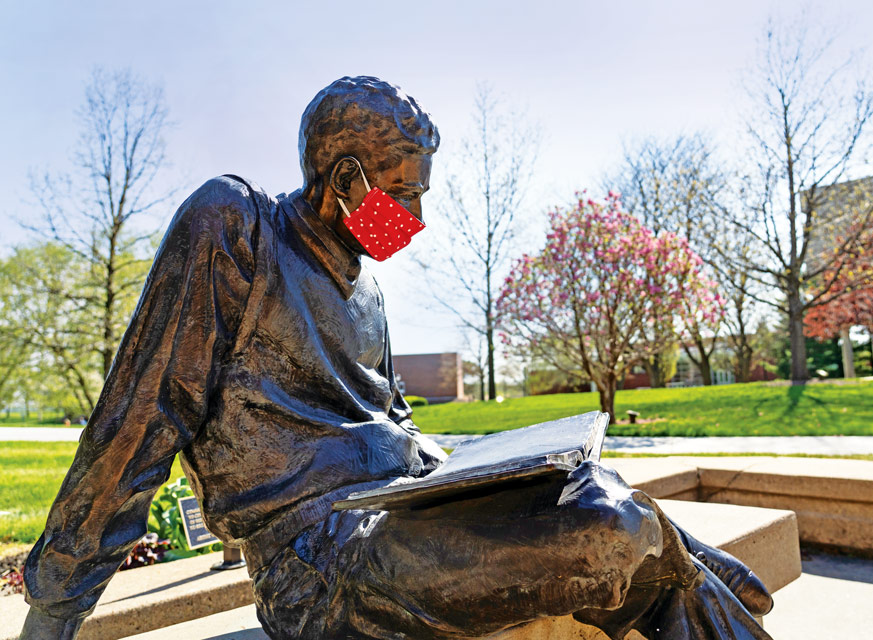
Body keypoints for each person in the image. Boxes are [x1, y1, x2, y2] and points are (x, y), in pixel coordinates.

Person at [21, 77, 773, 640]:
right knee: (614, 532)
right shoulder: (237, 226)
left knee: (600, 494)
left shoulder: (370, 292)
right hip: (319, 561)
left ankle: (681, 560)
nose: (416, 220)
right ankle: (681, 563)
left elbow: (407, 438)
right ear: (345, 179)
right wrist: (52, 612)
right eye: (403, 196)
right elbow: (138, 421)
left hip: (401, 521)